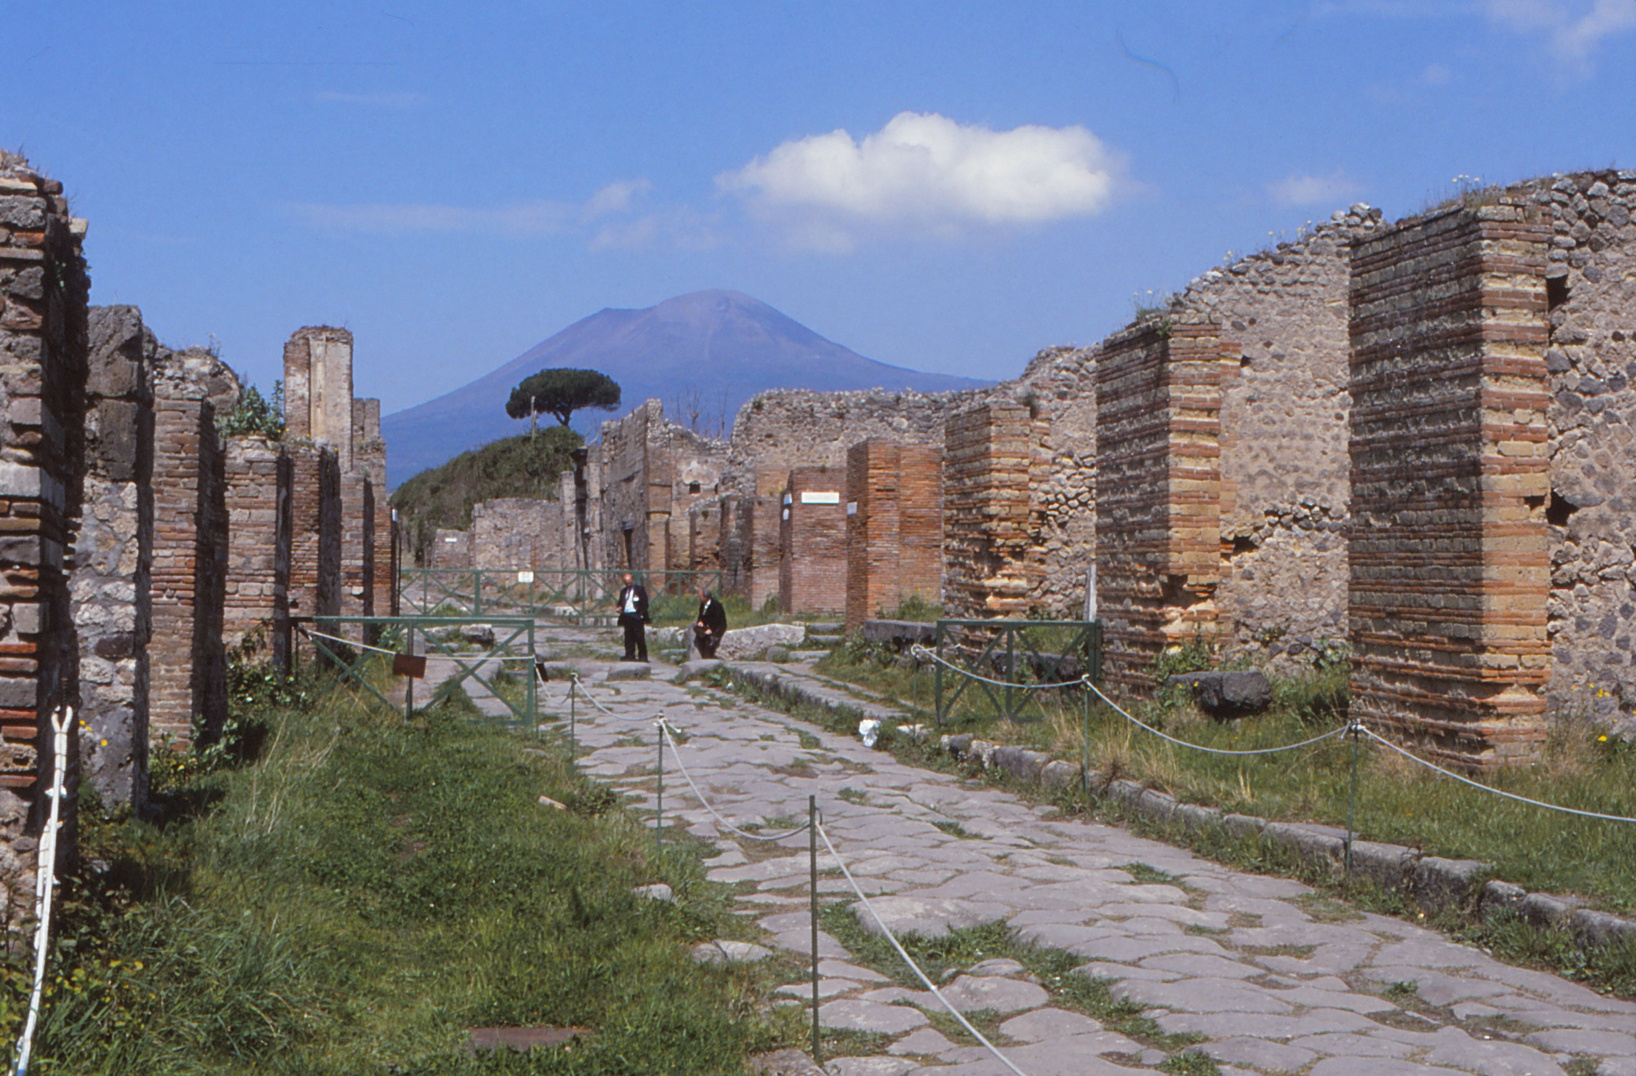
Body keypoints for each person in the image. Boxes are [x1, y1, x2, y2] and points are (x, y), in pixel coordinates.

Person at [616, 572, 650, 662]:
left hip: (636, 615)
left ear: (632, 580)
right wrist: (619, 608)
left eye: (629, 582)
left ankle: (643, 656)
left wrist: (640, 614)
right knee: (628, 637)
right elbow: (620, 602)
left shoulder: (639, 589)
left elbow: (645, 603)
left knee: (639, 636)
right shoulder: (623, 591)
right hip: (627, 615)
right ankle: (629, 655)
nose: (628, 584)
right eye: (626, 582)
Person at [693, 586, 727, 659]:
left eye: (700, 596)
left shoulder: (716, 605)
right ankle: (703, 636)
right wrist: (700, 621)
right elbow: (700, 616)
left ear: (705, 597)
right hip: (706, 626)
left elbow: (717, 619)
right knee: (696, 628)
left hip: (716, 627)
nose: (699, 597)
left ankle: (708, 654)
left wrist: (711, 629)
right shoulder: (702, 605)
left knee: (709, 638)